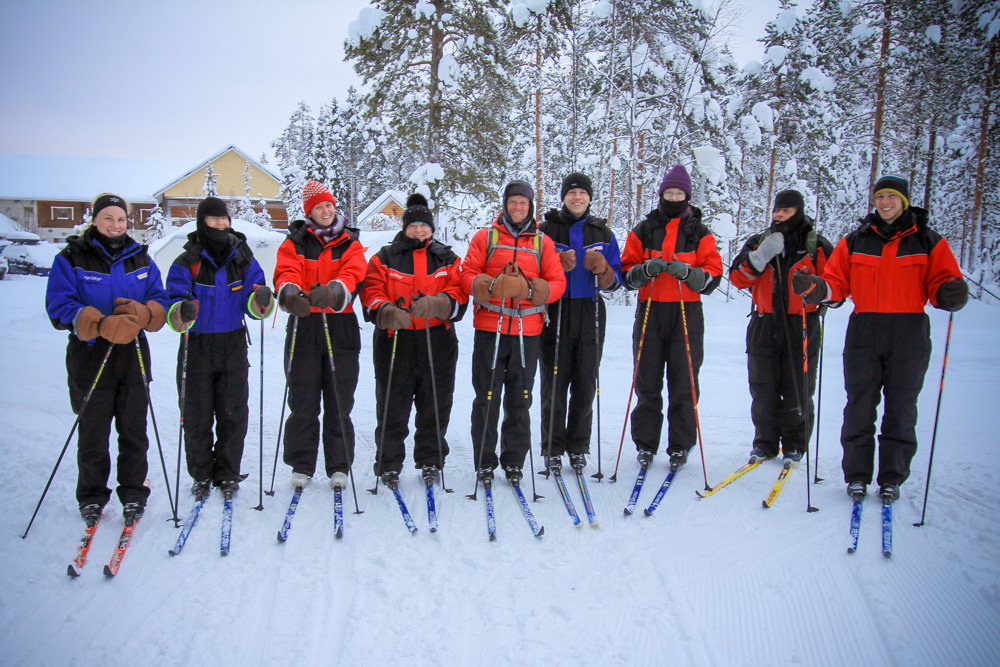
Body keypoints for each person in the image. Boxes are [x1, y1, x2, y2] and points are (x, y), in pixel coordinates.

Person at [792, 174, 968, 503]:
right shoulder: (856, 240)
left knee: (901, 409)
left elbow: (942, 284)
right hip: (864, 329)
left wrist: (951, 293)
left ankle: (891, 478)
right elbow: (836, 284)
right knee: (859, 406)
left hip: (909, 330)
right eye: (880, 197)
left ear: (904, 200)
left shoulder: (927, 241)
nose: (885, 203)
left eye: (891, 197)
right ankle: (857, 476)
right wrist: (814, 287)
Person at [45, 193, 168, 526]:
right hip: (90, 354)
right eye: (109, 218)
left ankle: (132, 493)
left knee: (133, 430)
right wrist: (98, 323)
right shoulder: (71, 257)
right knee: (93, 430)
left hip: (133, 354)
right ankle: (92, 496)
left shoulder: (141, 259)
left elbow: (161, 299)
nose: (116, 226)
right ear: (95, 220)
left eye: (122, 219)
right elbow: (58, 306)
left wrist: (144, 313)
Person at [165, 197, 275, 500]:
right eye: (214, 220)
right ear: (202, 223)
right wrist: (181, 311)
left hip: (232, 342)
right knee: (196, 414)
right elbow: (171, 306)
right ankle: (200, 474)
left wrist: (261, 300)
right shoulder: (187, 262)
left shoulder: (243, 260)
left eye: (224, 220)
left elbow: (254, 304)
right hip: (196, 343)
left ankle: (228, 474)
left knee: (233, 413)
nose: (220, 225)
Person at [461, 180, 567, 483]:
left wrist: (533, 288)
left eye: (523, 202)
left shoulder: (542, 243)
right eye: (513, 202)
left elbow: (558, 283)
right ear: (505, 204)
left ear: (530, 206)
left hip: (527, 330)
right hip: (490, 328)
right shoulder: (486, 237)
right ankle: (484, 461)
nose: (518, 207)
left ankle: (514, 461)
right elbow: (466, 275)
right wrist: (491, 285)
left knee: (521, 399)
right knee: (487, 397)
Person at [361, 194, 468, 488]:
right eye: (413, 226)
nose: (419, 230)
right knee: (392, 404)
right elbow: (371, 290)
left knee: (435, 403)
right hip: (396, 339)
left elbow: (459, 292)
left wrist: (437, 304)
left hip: (438, 339)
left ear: (431, 228)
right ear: (404, 227)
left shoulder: (447, 257)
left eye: (424, 225)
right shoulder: (384, 257)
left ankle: (431, 460)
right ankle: (389, 463)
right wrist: (386, 311)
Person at [620, 165, 723, 471]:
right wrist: (645, 270)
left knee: (684, 380)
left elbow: (713, 276)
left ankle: (680, 445)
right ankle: (646, 444)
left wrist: (690, 274)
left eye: (679, 193)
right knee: (647, 379)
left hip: (685, 312)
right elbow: (626, 273)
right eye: (669, 192)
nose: (674, 197)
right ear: (662, 193)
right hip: (650, 308)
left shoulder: (699, 232)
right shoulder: (644, 229)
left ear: (687, 196)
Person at [273, 181, 367, 492]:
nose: (325, 211)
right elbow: (286, 271)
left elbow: (355, 273)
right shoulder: (297, 241)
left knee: (339, 400)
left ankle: (339, 465)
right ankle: (302, 464)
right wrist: (290, 294)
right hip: (304, 324)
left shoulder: (349, 242)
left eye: (328, 205)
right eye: (318, 207)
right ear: (309, 212)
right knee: (303, 400)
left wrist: (336, 290)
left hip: (339, 325)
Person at [730, 189, 836, 465]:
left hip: (801, 322)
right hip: (764, 321)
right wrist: (759, 257)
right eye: (777, 210)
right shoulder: (759, 241)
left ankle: (795, 443)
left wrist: (814, 286)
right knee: (762, 386)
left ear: (798, 211)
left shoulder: (816, 244)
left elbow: (836, 289)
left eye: (786, 211)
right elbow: (737, 278)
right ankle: (764, 443)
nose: (779, 215)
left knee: (798, 386)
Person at [538, 172, 623, 473]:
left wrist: (605, 272)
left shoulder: (603, 233)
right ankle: (552, 446)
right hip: (556, 309)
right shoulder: (545, 229)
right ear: (563, 197)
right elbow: (532, 268)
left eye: (582, 193)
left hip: (590, 310)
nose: (577, 198)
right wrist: (553, 263)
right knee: (554, 382)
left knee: (585, 382)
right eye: (572, 193)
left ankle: (578, 446)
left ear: (589, 197)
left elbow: (617, 280)